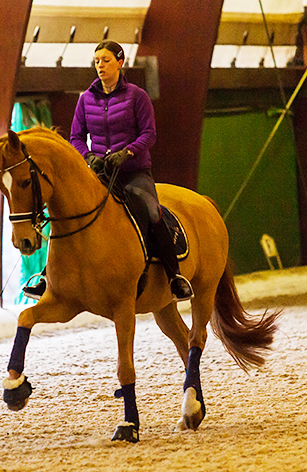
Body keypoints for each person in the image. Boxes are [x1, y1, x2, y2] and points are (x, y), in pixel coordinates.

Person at [23, 40, 193, 302]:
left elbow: (149, 134)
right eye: (96, 62)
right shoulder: (85, 100)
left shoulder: (137, 96)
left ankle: (174, 276)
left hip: (134, 171)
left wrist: (127, 153)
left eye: (105, 60)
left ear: (120, 63)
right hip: (100, 172)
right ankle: (46, 275)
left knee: (151, 211)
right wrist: (89, 156)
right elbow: (76, 137)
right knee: (66, 213)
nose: (100, 66)